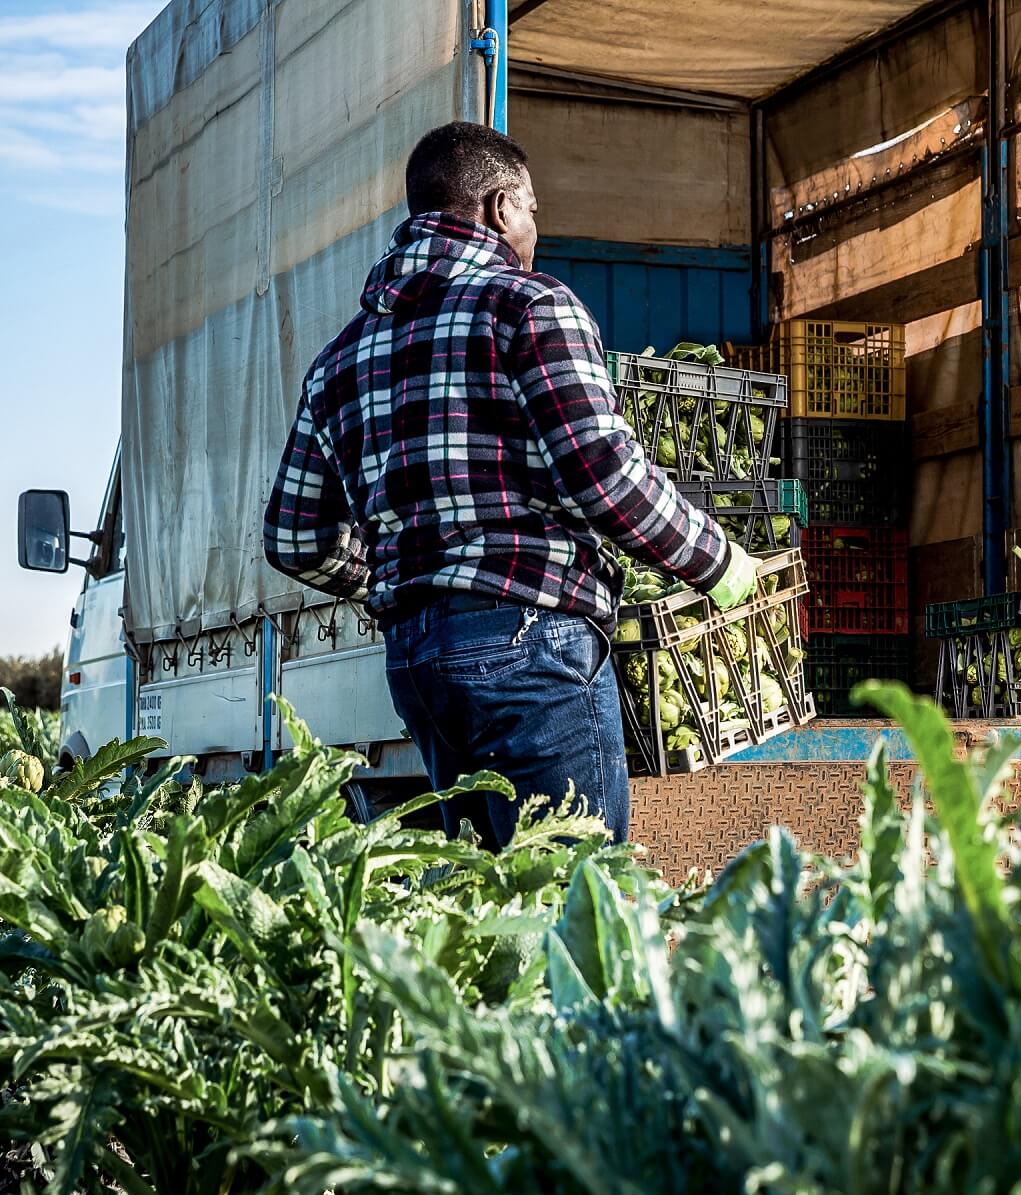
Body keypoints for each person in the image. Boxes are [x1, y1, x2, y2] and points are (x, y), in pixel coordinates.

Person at [264, 122, 759, 848]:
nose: (535, 232)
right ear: (499, 206)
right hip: (530, 639)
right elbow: (605, 475)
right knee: (574, 892)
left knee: (488, 902)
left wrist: (410, 573)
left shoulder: (340, 358)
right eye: (531, 211)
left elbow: (293, 538)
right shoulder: (527, 304)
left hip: (417, 660)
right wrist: (719, 563)